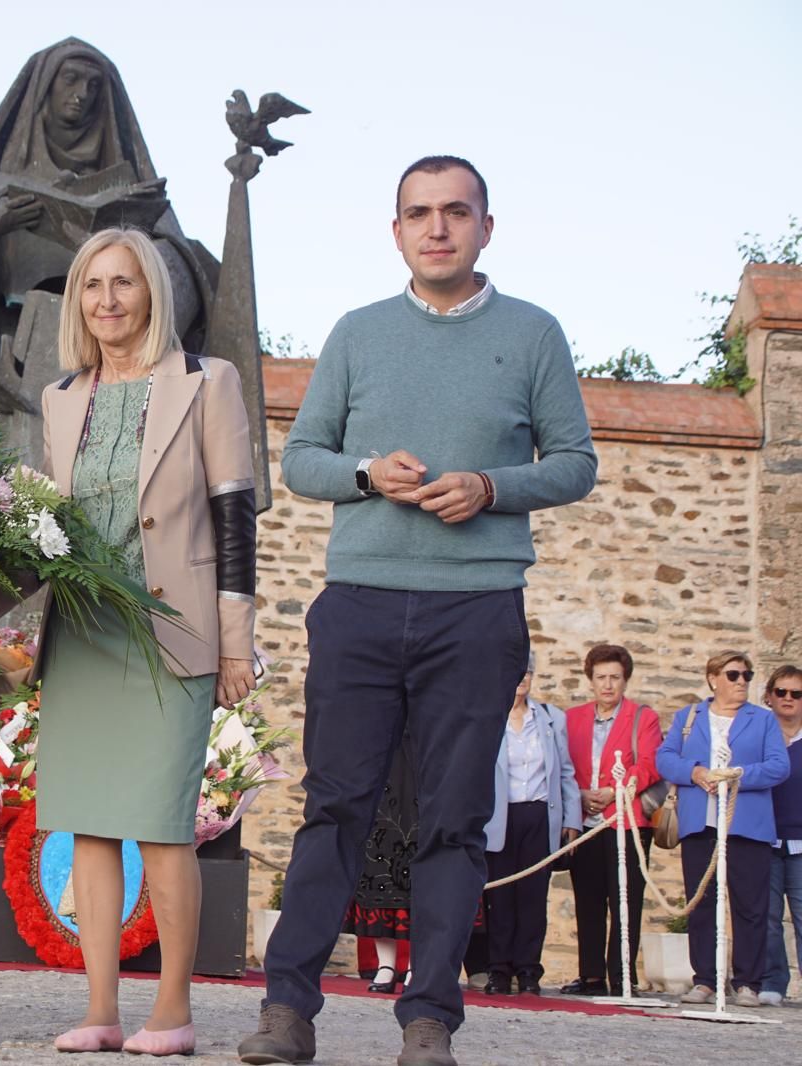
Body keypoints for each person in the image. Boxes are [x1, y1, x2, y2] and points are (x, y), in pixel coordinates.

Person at [241, 155, 597, 1066]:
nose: (436, 228)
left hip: (476, 611)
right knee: (335, 809)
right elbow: (303, 462)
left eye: (455, 212)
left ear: (485, 226)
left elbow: (574, 464)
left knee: (450, 819)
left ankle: (431, 1017)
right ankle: (288, 1010)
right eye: (418, 214)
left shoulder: (534, 334)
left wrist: (490, 486)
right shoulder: (358, 333)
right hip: (359, 605)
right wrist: (366, 474)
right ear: (395, 230)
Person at [37, 226, 256, 1057]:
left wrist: (235, 645)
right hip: (84, 635)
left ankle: (172, 1011)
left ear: (152, 293)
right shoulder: (62, 398)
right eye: (93, 287)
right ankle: (99, 1010)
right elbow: (47, 529)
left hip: (173, 633)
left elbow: (235, 518)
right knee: (89, 827)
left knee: (163, 825)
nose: (107, 300)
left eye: (123, 283)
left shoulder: (207, 382)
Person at [0, 37, 217, 464]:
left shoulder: (129, 193)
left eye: (95, 86)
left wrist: (114, 245)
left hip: (118, 377)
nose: (82, 95)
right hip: (16, 374)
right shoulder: (2, 190)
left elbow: (186, 279)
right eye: (71, 80)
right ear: (43, 92)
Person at [659, 651, 791, 1008]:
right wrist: (696, 772)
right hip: (701, 825)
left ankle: (747, 981)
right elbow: (665, 758)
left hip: (747, 825)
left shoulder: (762, 720)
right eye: (733, 675)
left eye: (747, 675)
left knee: (751, 906)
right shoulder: (689, 717)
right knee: (701, 902)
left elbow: (780, 766)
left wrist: (739, 777)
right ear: (713, 678)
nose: (742, 682)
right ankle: (705, 980)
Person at [560, 643, 662, 997]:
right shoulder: (572, 719)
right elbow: (563, 765)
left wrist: (614, 789)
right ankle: (590, 975)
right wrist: (581, 794)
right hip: (586, 822)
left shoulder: (642, 717)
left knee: (626, 900)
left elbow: (650, 764)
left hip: (626, 821)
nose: (608, 685)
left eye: (615, 678)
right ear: (590, 680)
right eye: (601, 677)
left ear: (625, 680)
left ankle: (622, 975)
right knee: (587, 900)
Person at [483, 652, 579, 995]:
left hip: (538, 814)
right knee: (501, 895)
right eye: (516, 671)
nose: (522, 677)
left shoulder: (552, 719)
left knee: (534, 897)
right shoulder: (490, 718)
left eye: (527, 671)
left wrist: (573, 819)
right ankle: (498, 970)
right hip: (500, 816)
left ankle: (528, 971)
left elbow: (565, 771)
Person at [342, 739, 419, 998]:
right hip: (381, 775)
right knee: (378, 871)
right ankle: (385, 965)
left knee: (421, 882)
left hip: (423, 772)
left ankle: (415, 968)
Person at [761, 663, 802, 1005]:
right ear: (770, 696)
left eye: (797, 694)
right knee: (769, 917)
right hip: (766, 839)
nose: (788, 699)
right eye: (782, 692)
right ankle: (773, 982)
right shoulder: (761, 737)